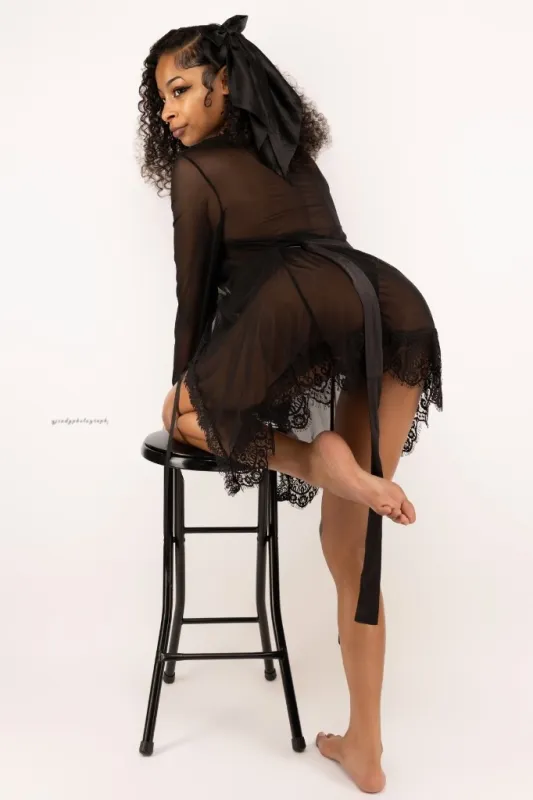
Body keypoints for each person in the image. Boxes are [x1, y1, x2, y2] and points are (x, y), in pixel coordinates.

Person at [137, 15, 442, 792]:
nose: (167, 112)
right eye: (160, 98)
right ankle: (364, 747)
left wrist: (193, 392)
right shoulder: (291, 154)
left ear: (223, 83)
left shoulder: (198, 170)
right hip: (388, 300)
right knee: (352, 547)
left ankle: (316, 461)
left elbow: (194, 300)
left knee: (179, 412)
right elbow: (319, 261)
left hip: (302, 303)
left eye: (180, 90)